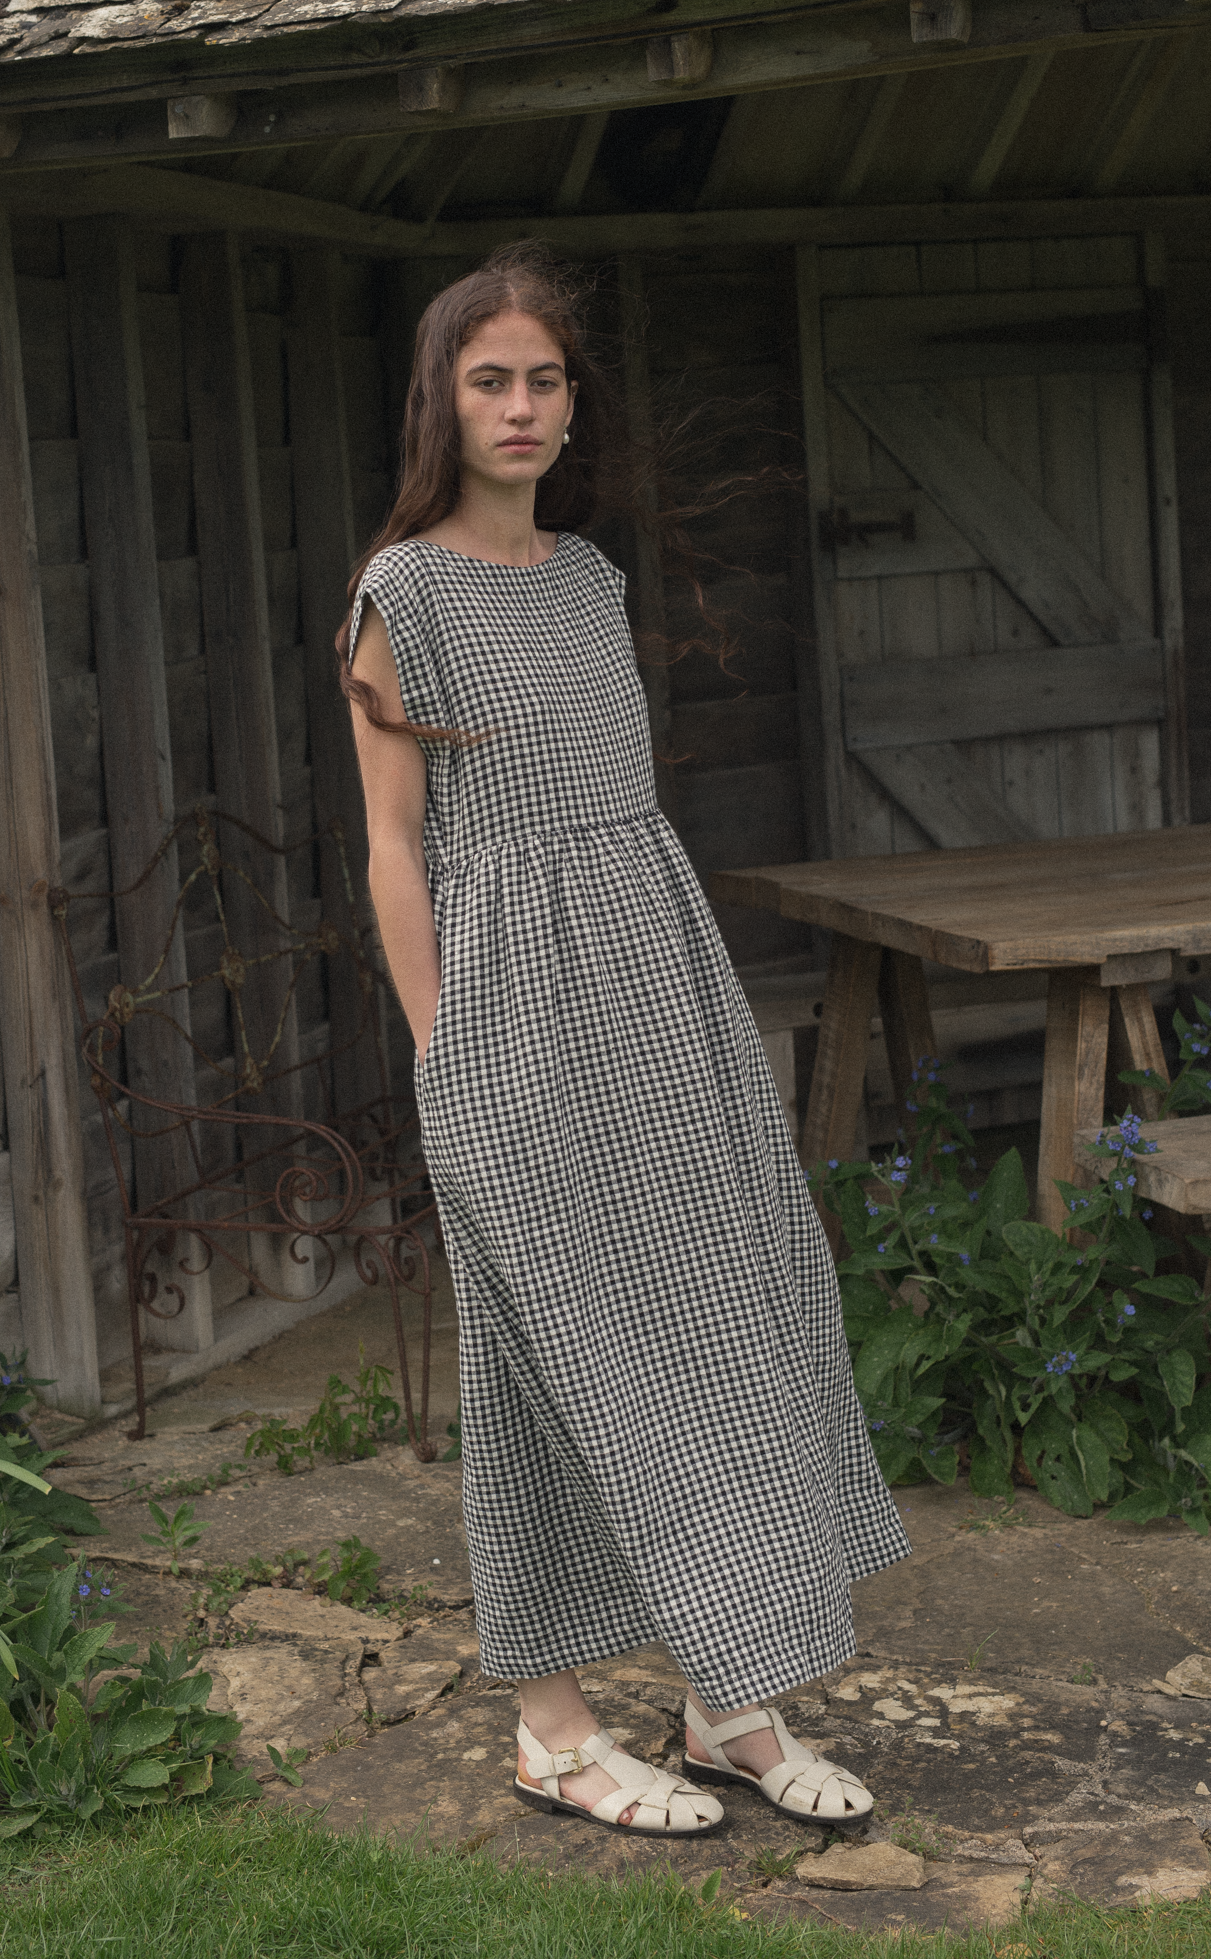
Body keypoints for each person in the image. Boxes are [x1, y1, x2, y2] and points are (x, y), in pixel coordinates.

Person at [341, 245, 910, 1839]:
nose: (521, 409)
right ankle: (553, 1728)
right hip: (511, 1020)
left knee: (729, 1315)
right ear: (442, 404)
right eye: (489, 381)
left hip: (659, 996)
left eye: (544, 381)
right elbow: (396, 846)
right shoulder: (403, 596)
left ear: (572, 403)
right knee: (547, 1359)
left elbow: (616, 826)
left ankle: (734, 1694)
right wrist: (443, 1044)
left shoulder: (591, 584)